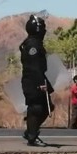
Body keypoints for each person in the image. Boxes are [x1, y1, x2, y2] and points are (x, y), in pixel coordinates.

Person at [20, 15, 54, 147]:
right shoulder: (32, 44)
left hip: (38, 78)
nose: (45, 31)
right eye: (43, 28)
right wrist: (40, 83)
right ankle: (32, 136)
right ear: (37, 29)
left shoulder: (34, 42)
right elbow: (33, 66)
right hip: (33, 80)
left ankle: (30, 131)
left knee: (47, 107)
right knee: (37, 107)